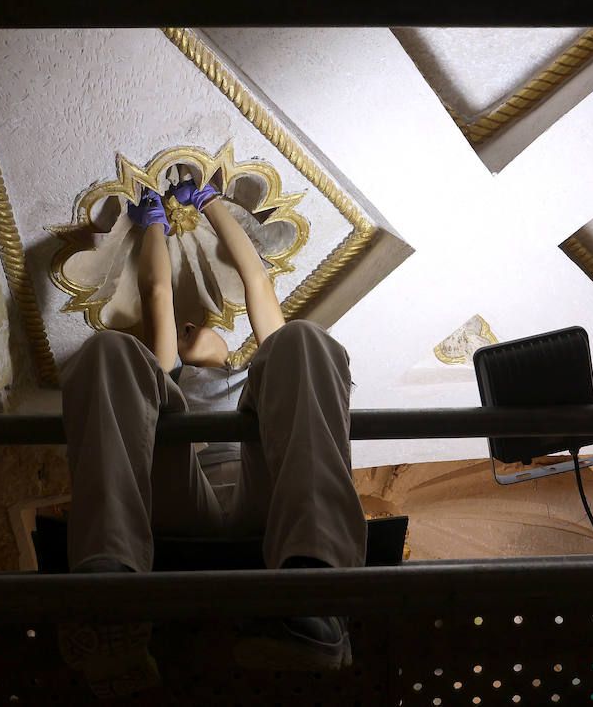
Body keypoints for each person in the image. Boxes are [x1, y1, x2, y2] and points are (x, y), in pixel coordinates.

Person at [57, 176, 367, 697]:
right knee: (110, 350)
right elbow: (158, 293)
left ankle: (317, 595)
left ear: (230, 343)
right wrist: (153, 226)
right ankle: (108, 589)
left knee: (302, 339)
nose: (188, 325)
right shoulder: (171, 376)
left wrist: (212, 203)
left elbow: (257, 282)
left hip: (265, 498)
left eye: (193, 325)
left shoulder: (265, 370)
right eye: (182, 330)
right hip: (188, 495)